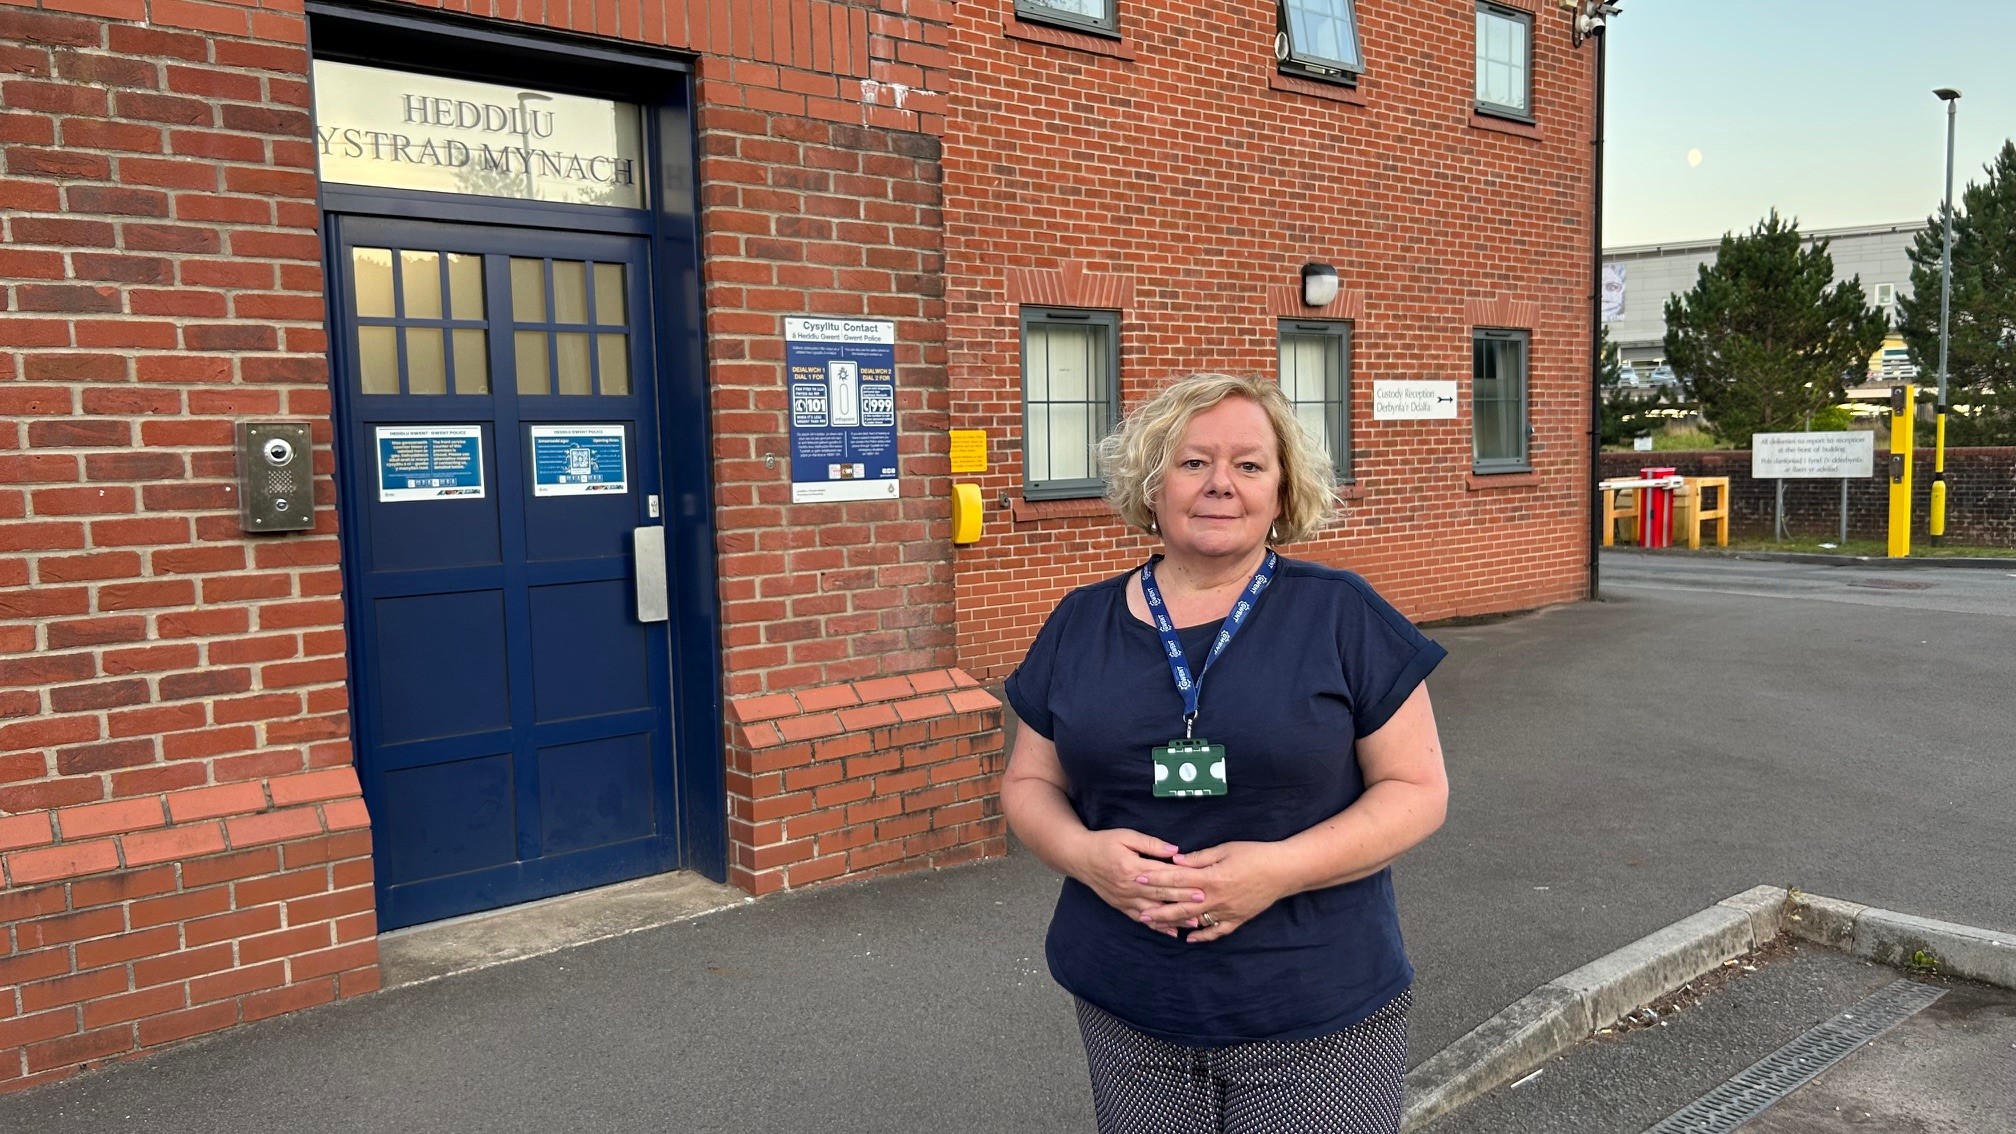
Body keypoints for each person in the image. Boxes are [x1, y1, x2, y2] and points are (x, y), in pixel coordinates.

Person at [1001, 373, 1450, 1134]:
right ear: (1152, 486)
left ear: (1281, 493)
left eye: (1249, 465)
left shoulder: (1341, 614)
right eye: (1192, 462)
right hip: (1130, 1010)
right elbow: (1028, 782)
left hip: (1316, 1011)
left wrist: (1276, 871)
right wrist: (1083, 855)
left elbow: (1417, 789)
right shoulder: (1079, 623)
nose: (1220, 485)